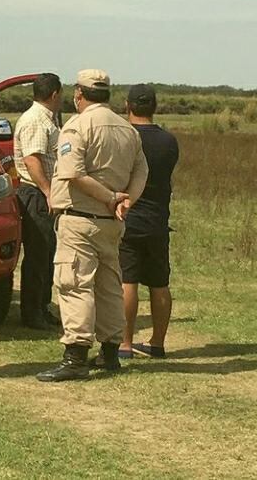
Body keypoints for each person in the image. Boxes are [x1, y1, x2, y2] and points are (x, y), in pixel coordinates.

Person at [37, 69, 148, 382]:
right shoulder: (128, 130)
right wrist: (127, 202)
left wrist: (112, 198)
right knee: (110, 285)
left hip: (80, 219)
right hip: (112, 223)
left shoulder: (77, 126)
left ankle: (75, 355)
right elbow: (142, 172)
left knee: (75, 284)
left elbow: (73, 173)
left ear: (78, 94)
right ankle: (110, 352)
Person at [119, 84, 179, 359]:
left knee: (127, 280)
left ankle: (125, 343)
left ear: (127, 106)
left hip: (130, 217)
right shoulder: (168, 141)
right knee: (159, 282)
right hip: (158, 219)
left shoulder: (124, 138)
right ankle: (157, 342)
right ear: (154, 107)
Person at [13, 73, 63, 329]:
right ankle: (32, 311)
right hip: (35, 193)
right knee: (38, 253)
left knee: (48, 252)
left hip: (42, 193)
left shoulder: (47, 119)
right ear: (54, 94)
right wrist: (48, 191)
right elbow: (33, 160)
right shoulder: (35, 120)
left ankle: (42, 306)